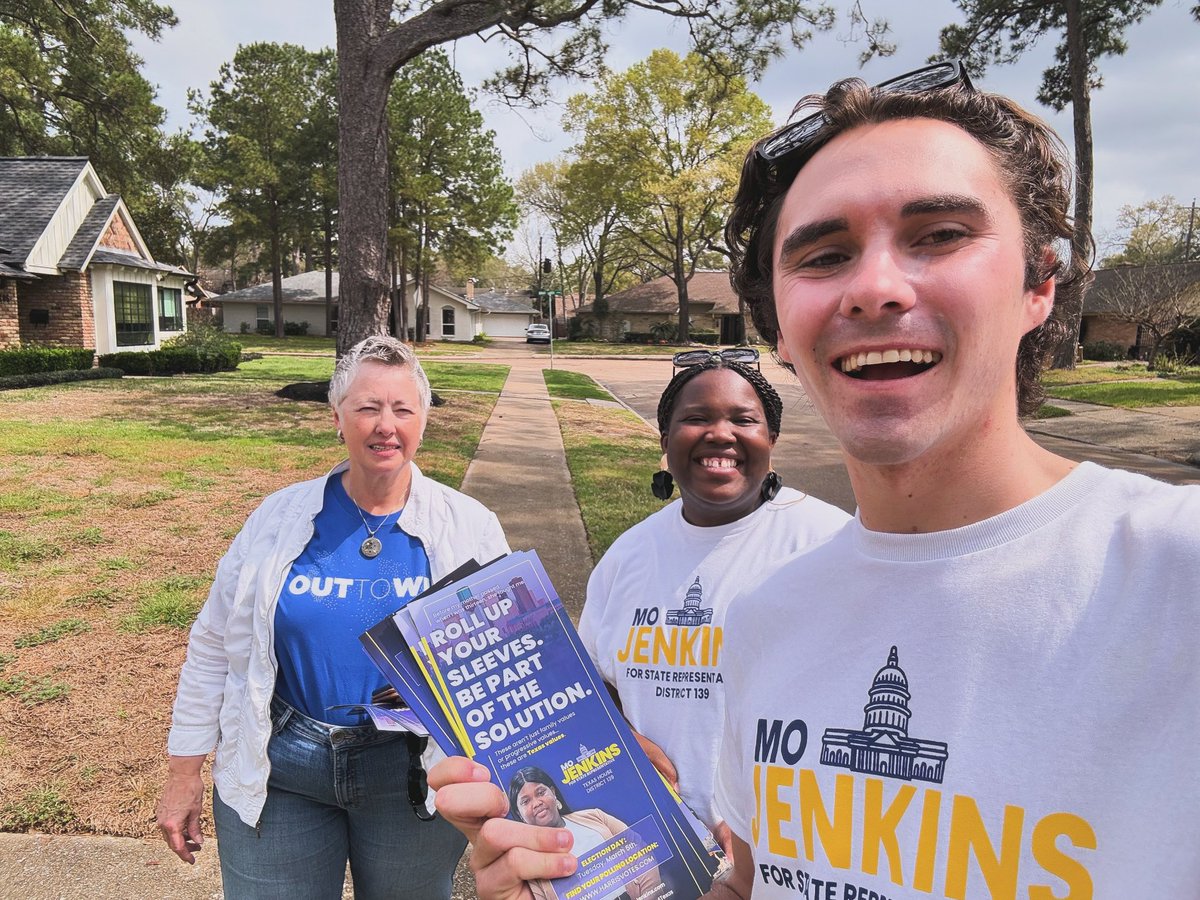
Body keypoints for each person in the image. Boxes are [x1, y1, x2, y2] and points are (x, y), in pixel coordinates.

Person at [428, 59, 1200, 899]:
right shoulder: (769, 620)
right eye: (825, 254)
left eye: (939, 234)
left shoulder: (1172, 577)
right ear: (782, 333)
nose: (873, 287)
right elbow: (752, 885)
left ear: (1039, 282)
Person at [156, 334, 510, 899]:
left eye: (402, 409)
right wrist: (183, 775)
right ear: (337, 418)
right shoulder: (278, 518)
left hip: (411, 768)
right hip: (282, 765)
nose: (385, 425)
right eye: (367, 407)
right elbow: (213, 645)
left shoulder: (469, 526)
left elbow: (505, 659)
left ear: (423, 419)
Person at [579, 349, 849, 844]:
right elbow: (593, 682)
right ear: (665, 440)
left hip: (782, 844)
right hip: (653, 841)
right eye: (696, 418)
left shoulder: (829, 543)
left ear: (771, 439)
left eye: (744, 420)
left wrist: (768, 818)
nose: (720, 434)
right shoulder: (628, 556)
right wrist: (620, 739)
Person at [507, 766, 661, 900]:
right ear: (519, 814)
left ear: (553, 793)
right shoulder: (528, 863)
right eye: (525, 801)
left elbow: (642, 853)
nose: (536, 803)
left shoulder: (595, 816)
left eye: (541, 792)